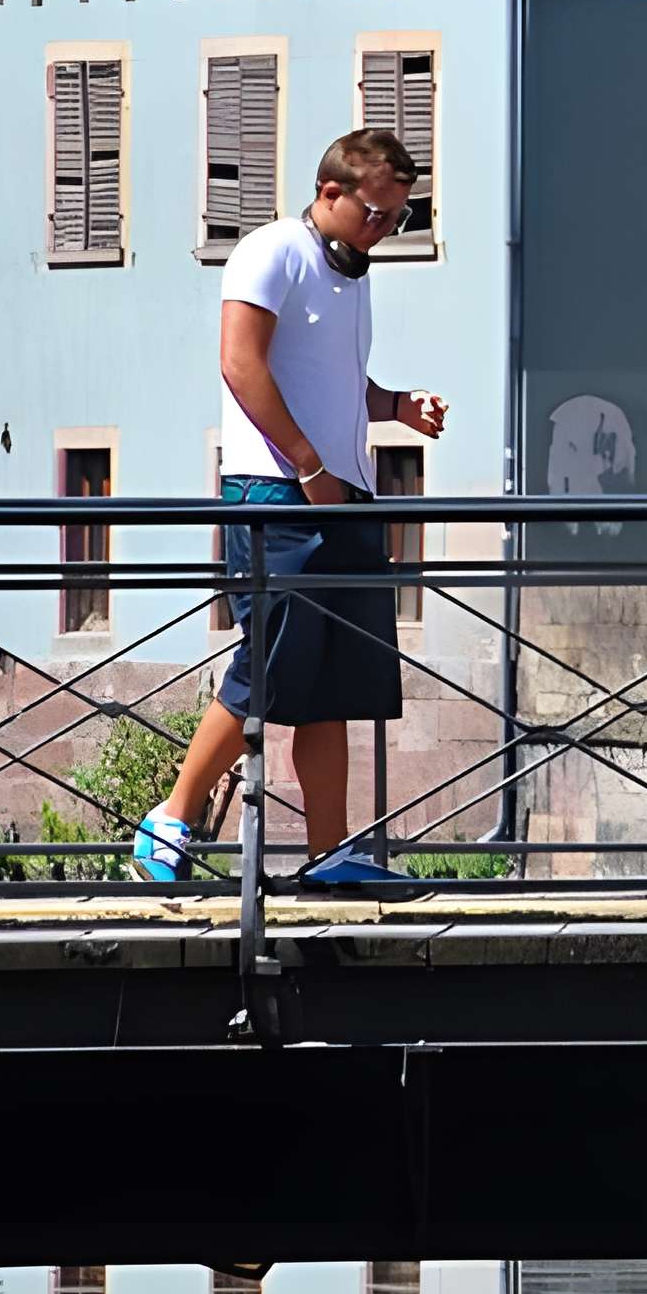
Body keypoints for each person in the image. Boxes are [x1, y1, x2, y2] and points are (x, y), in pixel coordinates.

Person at [132, 129, 447, 885]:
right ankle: (170, 819)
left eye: (399, 219)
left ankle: (329, 853)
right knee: (267, 667)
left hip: (342, 494)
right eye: (376, 213)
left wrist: (396, 405)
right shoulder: (271, 250)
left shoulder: (355, 276)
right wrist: (307, 466)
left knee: (334, 682)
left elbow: (335, 382)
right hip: (277, 493)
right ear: (331, 192)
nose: (384, 231)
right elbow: (240, 361)